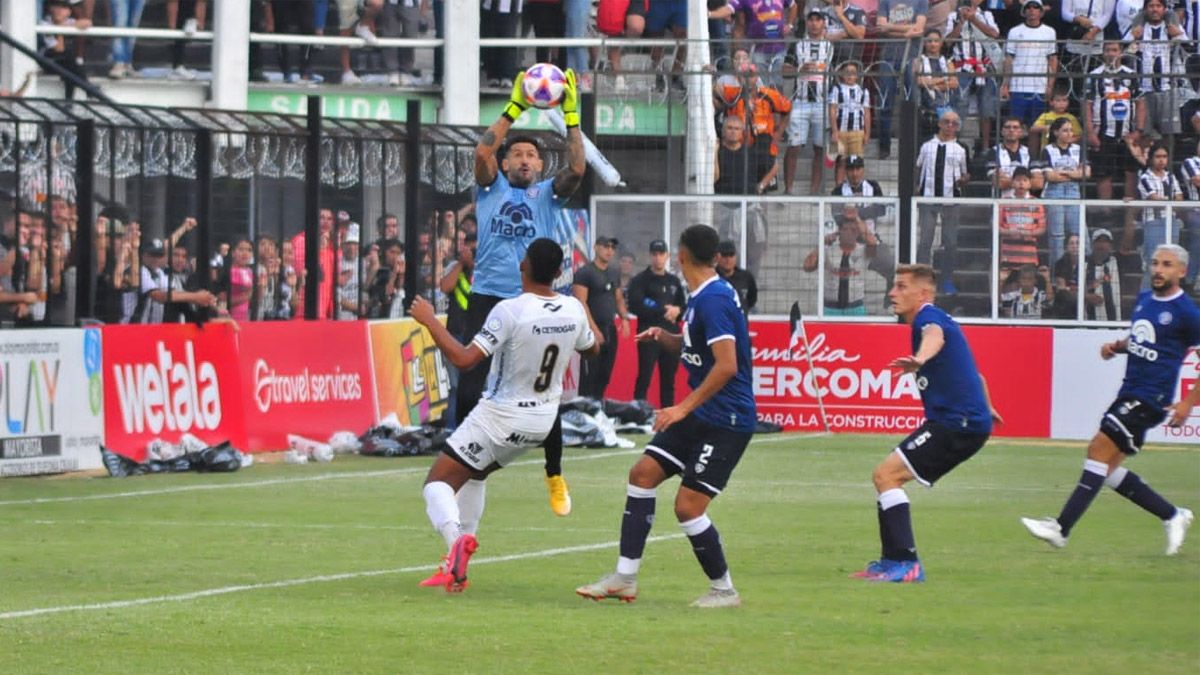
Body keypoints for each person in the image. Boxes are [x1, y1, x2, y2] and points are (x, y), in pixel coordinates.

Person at [576, 225, 756, 608]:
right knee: (642, 474)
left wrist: (681, 407)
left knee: (688, 506)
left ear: (682, 255)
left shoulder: (713, 300)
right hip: (703, 413)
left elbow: (726, 366)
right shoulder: (703, 294)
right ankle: (624, 578)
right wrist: (666, 337)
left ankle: (724, 589)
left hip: (727, 419)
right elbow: (700, 349)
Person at [411, 238, 599, 592]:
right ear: (559, 273)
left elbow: (466, 359)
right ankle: (458, 570)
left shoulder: (510, 310)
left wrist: (430, 323)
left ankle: (455, 543)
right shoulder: (573, 309)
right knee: (475, 475)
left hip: (501, 415)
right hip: (542, 422)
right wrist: (579, 314)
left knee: (437, 483)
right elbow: (594, 349)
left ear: (522, 266)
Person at [460, 68, 586, 516]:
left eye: (533, 155)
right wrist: (514, 107)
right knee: (470, 379)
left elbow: (577, 166)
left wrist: (570, 113)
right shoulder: (489, 187)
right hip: (488, 294)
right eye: (518, 155)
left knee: (540, 389)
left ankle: (554, 474)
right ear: (506, 163)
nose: (527, 160)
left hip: (532, 302)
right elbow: (481, 150)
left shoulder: (549, 194)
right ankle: (462, 460)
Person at [1022, 244, 1198, 555]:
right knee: (1106, 469)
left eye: (1167, 265)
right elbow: (1141, 338)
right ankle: (1173, 515)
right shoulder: (1145, 300)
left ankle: (1061, 528)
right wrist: (1116, 347)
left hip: (1152, 397)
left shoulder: (1186, 312)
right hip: (1130, 391)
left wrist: (1188, 402)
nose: (1159, 269)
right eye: (1156, 263)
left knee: (1097, 447)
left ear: (1181, 272)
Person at [853, 264, 1001, 583]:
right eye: (894, 286)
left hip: (955, 423)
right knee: (886, 477)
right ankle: (892, 560)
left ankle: (906, 563)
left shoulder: (928, 319)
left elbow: (934, 338)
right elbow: (976, 375)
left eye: (901, 287)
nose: (893, 293)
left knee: (886, 475)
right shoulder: (935, 320)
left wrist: (920, 359)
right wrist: (987, 407)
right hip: (963, 421)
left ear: (922, 294)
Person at [915, 110, 971, 295]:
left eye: (954, 123)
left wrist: (963, 180)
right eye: (946, 122)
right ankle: (923, 279)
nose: (950, 126)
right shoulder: (927, 146)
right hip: (928, 199)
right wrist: (917, 187)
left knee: (950, 242)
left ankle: (946, 279)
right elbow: (918, 167)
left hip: (951, 200)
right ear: (939, 123)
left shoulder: (961, 149)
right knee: (925, 240)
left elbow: (966, 173)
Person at [627, 239, 686, 407]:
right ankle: (638, 414)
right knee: (644, 376)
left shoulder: (674, 281)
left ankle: (667, 414)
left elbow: (683, 306)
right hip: (649, 336)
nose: (658, 258)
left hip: (671, 336)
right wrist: (663, 310)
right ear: (650, 255)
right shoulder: (641, 280)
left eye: (661, 254)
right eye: (654, 254)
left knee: (668, 380)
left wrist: (677, 311)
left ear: (667, 256)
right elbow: (636, 303)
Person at [573, 236, 631, 401]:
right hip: (592, 329)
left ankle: (598, 409)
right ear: (596, 247)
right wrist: (593, 329)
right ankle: (584, 411)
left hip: (609, 327)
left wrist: (624, 318)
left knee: (605, 373)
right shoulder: (585, 273)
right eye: (606, 246)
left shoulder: (614, 272)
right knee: (589, 375)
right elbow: (581, 303)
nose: (609, 250)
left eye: (612, 247)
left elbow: (618, 298)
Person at [1086, 40, 1144, 202]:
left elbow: (1140, 103)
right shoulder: (1095, 75)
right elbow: (1087, 105)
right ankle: (1105, 211)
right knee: (1103, 172)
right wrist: (1090, 132)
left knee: (1131, 171)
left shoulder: (1131, 75)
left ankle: (1129, 210)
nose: (1111, 53)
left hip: (1127, 133)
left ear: (1120, 52)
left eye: (1114, 50)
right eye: (1108, 50)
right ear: (1103, 53)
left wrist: (1138, 130)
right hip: (1103, 132)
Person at [783, 10, 832, 195]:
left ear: (823, 23)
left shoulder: (831, 47)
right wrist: (799, 68)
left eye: (818, 20)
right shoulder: (797, 45)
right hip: (801, 101)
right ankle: (788, 189)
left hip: (823, 102)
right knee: (793, 145)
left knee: (820, 148)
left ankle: (814, 190)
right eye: (810, 20)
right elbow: (784, 70)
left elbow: (844, 70)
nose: (813, 23)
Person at [874, 0, 929, 159]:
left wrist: (890, 27)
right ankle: (884, 146)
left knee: (912, 101)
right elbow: (880, 28)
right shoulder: (885, 1)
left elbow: (919, 29)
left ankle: (912, 146)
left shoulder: (921, 2)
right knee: (885, 102)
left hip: (911, 55)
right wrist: (907, 31)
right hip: (888, 56)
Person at [945, 0, 1001, 151]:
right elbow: (948, 41)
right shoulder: (953, 16)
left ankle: (985, 147)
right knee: (959, 107)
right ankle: (954, 143)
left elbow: (994, 34)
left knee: (987, 108)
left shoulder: (986, 15)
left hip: (985, 67)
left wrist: (974, 19)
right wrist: (962, 20)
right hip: (962, 67)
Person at [804, 211, 882, 315]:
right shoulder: (828, 250)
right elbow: (807, 267)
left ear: (858, 233)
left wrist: (857, 218)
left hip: (855, 307)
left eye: (853, 230)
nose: (849, 233)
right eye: (846, 229)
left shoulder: (864, 251)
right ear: (839, 231)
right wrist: (822, 244)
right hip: (830, 307)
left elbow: (872, 242)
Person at [1041, 117, 1090, 270]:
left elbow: (1086, 173)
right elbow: (1050, 176)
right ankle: (1058, 273)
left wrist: (1062, 173)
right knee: (1057, 236)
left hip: (1074, 193)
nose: (1070, 133)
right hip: (1054, 193)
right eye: (1065, 130)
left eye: (1070, 130)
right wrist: (1073, 173)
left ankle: (1085, 270)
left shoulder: (1078, 149)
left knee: (1080, 232)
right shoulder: (1047, 150)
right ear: (1056, 132)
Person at [1001, 0, 1058, 127]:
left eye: (1035, 7)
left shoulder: (1049, 32)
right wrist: (1005, 84)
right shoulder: (1014, 31)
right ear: (1024, 11)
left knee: (1036, 127)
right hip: (1017, 87)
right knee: (1015, 125)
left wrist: (1050, 85)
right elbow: (1009, 59)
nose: (1032, 10)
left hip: (1040, 87)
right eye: (1029, 7)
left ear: (1041, 11)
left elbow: (1052, 59)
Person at [998, 166, 1046, 285]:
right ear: (1013, 182)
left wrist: (1028, 233)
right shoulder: (1003, 202)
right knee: (1002, 283)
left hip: (1028, 255)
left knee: (1027, 285)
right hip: (1008, 255)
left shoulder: (1037, 203)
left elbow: (1042, 228)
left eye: (1025, 180)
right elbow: (996, 226)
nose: (1021, 183)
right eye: (1018, 180)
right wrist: (1010, 232)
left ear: (1030, 183)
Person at [828, 62, 872, 186]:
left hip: (857, 132)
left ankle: (855, 187)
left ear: (857, 75)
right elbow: (832, 109)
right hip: (841, 131)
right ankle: (839, 187)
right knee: (841, 161)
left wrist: (867, 133)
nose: (849, 76)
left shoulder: (863, 91)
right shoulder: (837, 89)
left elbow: (867, 113)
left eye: (853, 73)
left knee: (856, 161)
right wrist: (835, 131)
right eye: (847, 73)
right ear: (842, 74)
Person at [914, 29, 958, 140]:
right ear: (924, 43)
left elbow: (953, 83)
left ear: (941, 43)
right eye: (929, 41)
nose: (933, 44)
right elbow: (919, 81)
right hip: (926, 109)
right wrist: (943, 79)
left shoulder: (947, 62)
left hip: (946, 108)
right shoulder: (919, 61)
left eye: (936, 41)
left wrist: (932, 84)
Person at [988, 117, 1043, 197]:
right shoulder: (993, 152)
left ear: (1021, 132)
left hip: (1026, 202)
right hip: (1000, 202)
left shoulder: (1029, 152)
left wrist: (1009, 180)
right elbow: (998, 183)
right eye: (1007, 127)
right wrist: (1024, 182)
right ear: (1002, 131)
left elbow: (1039, 183)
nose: (1011, 130)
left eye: (1015, 127)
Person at [1085, 228, 1125, 321]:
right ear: (1092, 245)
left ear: (1111, 246)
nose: (1102, 245)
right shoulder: (1083, 265)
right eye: (1098, 241)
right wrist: (1086, 296)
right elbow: (1071, 292)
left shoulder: (1117, 262)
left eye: (1105, 242)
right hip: (1088, 326)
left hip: (1114, 325)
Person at [1029, 90, 1083, 158]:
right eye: (1058, 101)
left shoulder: (1071, 118)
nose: (1061, 103)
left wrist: (1069, 140)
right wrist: (1046, 128)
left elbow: (1079, 135)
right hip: (1046, 151)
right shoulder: (1045, 116)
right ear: (1051, 102)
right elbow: (1033, 128)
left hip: (1066, 151)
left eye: (1064, 100)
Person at [715, 239, 757, 318]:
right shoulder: (712, 277)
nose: (728, 259)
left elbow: (751, 299)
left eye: (731, 255)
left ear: (735, 257)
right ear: (717, 257)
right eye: (724, 255)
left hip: (740, 325)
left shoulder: (746, 276)